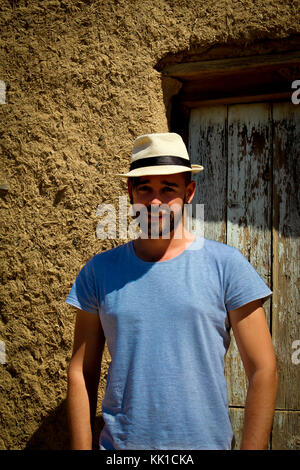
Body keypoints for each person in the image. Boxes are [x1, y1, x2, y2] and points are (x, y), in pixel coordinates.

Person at [66, 132, 278, 450]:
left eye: (168, 189)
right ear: (130, 192)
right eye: (144, 188)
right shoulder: (99, 271)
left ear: (189, 192)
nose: (154, 201)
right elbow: (82, 371)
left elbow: (263, 369)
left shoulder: (227, 266)